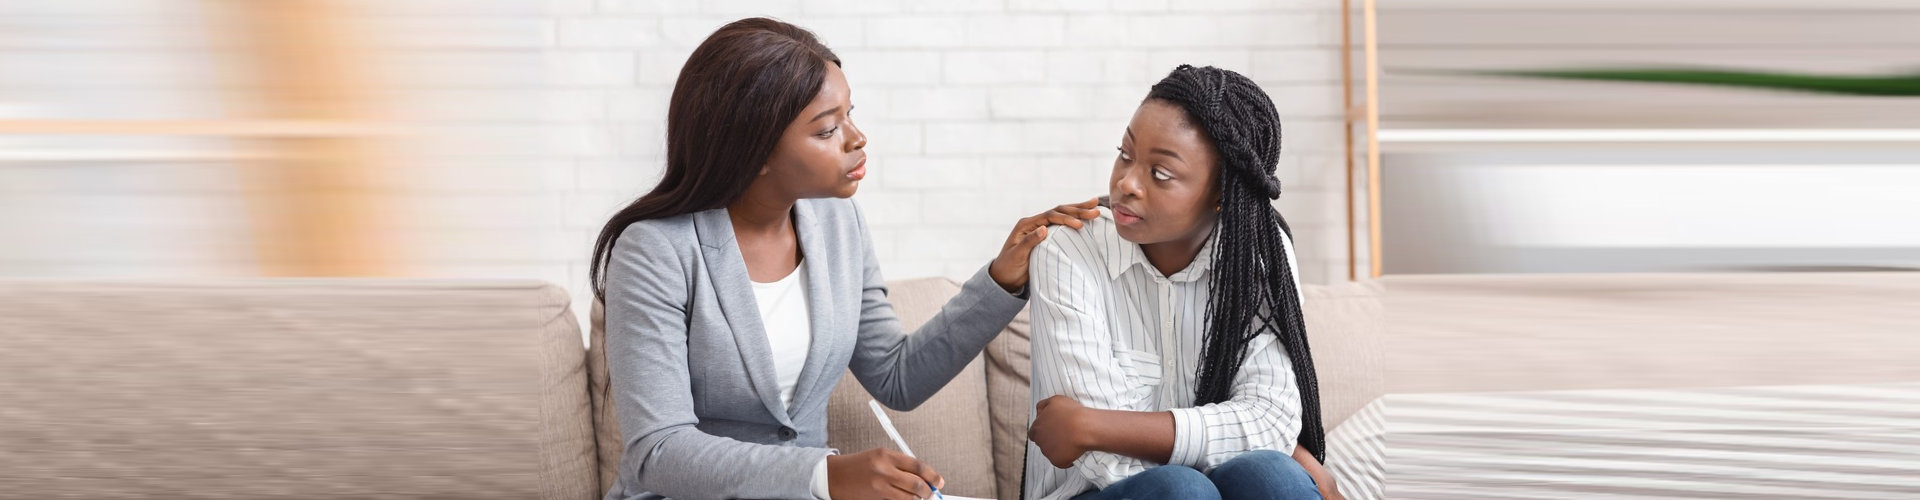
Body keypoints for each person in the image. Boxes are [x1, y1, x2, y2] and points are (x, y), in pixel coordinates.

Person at [590, 18, 1099, 500]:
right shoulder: (654, 252)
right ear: (756, 148)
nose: (857, 139)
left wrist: (1002, 279)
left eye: (849, 115)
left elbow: (896, 376)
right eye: (827, 129)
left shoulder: (837, 225)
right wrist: (824, 475)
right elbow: (658, 450)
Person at [1023, 65, 1343, 500]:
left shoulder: (1259, 253)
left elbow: (1271, 419)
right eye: (1125, 154)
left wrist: (1093, 425)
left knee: (1274, 477)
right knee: (1185, 489)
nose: (1126, 183)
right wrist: (1249, 437)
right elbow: (1102, 461)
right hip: (1094, 492)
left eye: (1160, 174)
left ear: (1220, 193)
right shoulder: (1067, 251)